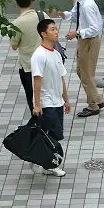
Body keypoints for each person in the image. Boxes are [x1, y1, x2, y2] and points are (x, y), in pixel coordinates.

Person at [56, 0, 104, 118]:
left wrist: (76, 34)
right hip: (85, 40)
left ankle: (93, 105)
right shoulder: (81, 1)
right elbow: (74, 15)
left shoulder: (87, 5)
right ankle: (97, 99)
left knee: (86, 74)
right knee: (81, 71)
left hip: (90, 41)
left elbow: (94, 28)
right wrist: (62, 14)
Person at [31, 19, 71, 177]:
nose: (56, 32)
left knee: (53, 135)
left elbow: (62, 78)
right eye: (53, 29)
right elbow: (37, 80)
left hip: (57, 102)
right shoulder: (39, 55)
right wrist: (37, 104)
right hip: (47, 103)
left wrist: (66, 100)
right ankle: (50, 166)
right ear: (43, 34)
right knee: (52, 136)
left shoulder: (56, 54)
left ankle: (37, 160)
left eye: (56, 29)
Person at [10, 0, 45, 113]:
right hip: (46, 63)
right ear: (31, 1)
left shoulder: (16, 24)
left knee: (33, 97)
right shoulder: (42, 15)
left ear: (17, 3)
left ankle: (38, 124)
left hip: (28, 66)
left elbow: (14, 46)